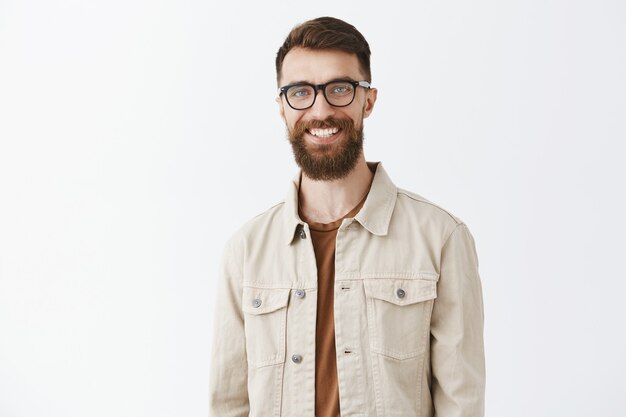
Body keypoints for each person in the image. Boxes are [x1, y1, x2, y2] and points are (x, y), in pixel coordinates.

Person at [209, 16, 485, 417]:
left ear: (367, 101)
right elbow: (228, 404)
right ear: (282, 107)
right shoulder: (245, 251)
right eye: (301, 92)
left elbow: (462, 403)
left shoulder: (441, 238)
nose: (320, 110)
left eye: (339, 88)